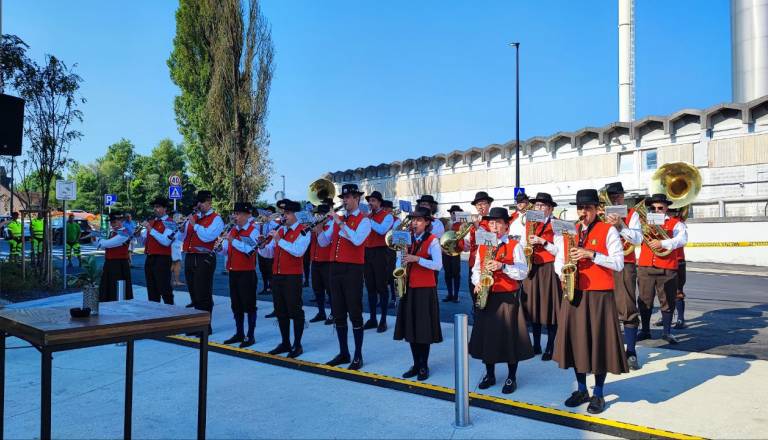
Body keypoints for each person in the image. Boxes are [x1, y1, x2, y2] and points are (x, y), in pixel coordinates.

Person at [553, 189, 628, 414]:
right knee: (577, 343)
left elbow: (619, 263)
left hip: (599, 296)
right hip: (574, 293)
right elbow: (558, 258)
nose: (583, 212)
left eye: (587, 208)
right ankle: (582, 389)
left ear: (597, 209)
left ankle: (598, 394)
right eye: (580, 208)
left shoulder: (609, 231)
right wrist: (563, 273)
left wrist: (591, 254)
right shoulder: (570, 231)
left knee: (598, 345)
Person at [469, 207, 532, 394]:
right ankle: (490, 374)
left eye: (498, 223)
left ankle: (511, 377)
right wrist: (478, 282)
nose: (494, 226)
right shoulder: (483, 245)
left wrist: (502, 266)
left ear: (506, 226)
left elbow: (522, 272)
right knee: (488, 338)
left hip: (507, 298)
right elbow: (476, 269)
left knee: (510, 339)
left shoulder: (515, 245)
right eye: (491, 222)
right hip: (487, 295)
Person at [316, 183, 371, 369]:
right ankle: (343, 352)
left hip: (353, 270)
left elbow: (356, 240)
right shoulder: (337, 220)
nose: (345, 201)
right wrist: (319, 229)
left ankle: (358, 355)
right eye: (344, 198)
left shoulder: (364, 221)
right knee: (338, 311)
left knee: (354, 312)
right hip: (335, 269)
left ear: (357, 199)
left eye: (348, 198)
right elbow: (324, 243)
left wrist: (339, 222)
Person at [393, 206, 443, 381]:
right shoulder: (407, 238)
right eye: (413, 220)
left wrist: (417, 259)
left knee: (423, 330)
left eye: (419, 220)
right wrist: (401, 256)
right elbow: (399, 261)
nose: (415, 223)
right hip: (409, 287)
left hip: (425, 289)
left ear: (427, 222)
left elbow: (438, 265)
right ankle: (415, 364)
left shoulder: (433, 241)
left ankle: (424, 365)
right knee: (411, 328)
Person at [602, 182, 644, 370]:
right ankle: (609, 350)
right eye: (611, 195)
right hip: (603, 264)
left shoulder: (632, 214)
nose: (614, 198)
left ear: (623, 195)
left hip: (625, 265)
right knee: (603, 308)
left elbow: (638, 239)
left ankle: (631, 352)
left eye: (618, 195)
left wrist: (620, 225)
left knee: (627, 306)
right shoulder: (600, 213)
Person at [636, 193, 687, 344]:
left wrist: (662, 244)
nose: (656, 210)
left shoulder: (675, 224)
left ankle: (667, 332)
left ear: (666, 208)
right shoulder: (643, 222)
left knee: (668, 300)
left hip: (667, 267)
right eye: (653, 208)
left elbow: (682, 239)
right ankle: (645, 331)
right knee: (644, 300)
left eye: (660, 207)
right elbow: (635, 237)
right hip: (645, 266)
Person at [265, 200, 311, 358]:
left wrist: (279, 240)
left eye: (288, 213)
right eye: (284, 214)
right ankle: (285, 342)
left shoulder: (304, 230)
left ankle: (297, 344)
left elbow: (298, 251)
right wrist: (262, 246)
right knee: (280, 311)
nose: (284, 217)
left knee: (295, 310)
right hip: (277, 275)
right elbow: (270, 253)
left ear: (296, 214)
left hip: (292, 276)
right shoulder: (281, 231)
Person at [521, 192, 561, 360]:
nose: (539, 208)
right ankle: (536, 344)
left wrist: (543, 242)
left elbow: (559, 250)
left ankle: (550, 347)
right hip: (532, 268)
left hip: (549, 267)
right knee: (533, 308)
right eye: (537, 205)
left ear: (550, 208)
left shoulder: (557, 224)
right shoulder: (530, 222)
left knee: (550, 309)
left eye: (543, 205)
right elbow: (523, 243)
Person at [179, 190, 224, 332]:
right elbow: (183, 238)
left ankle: (205, 326)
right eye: (198, 203)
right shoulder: (194, 217)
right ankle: (196, 324)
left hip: (204, 257)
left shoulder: (216, 219)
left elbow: (208, 237)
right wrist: (181, 227)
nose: (199, 205)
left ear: (209, 203)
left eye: (202, 203)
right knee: (193, 292)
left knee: (203, 292)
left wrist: (195, 224)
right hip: (190, 256)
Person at [218, 202, 259, 348]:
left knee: (249, 305)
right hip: (233, 271)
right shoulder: (232, 230)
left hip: (247, 273)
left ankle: (251, 335)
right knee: (236, 304)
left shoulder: (253, 231)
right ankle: (239, 332)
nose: (236, 216)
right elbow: (227, 250)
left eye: (239, 214)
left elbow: (250, 250)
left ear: (248, 215)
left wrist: (233, 241)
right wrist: (220, 246)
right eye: (235, 213)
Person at [363, 191, 395, 332]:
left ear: (379, 203)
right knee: (370, 288)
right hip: (368, 252)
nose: (371, 203)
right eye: (370, 201)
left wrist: (367, 220)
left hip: (381, 252)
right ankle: (372, 318)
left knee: (382, 287)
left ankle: (383, 319)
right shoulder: (369, 216)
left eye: (374, 201)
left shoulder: (387, 216)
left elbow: (382, 231)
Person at [457, 191, 494, 301]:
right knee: (474, 293)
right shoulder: (473, 221)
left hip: (487, 261)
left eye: (483, 203)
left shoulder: (493, 220)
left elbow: (490, 239)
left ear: (489, 205)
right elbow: (467, 242)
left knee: (487, 296)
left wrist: (477, 226)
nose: (480, 207)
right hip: (473, 262)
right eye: (478, 204)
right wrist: (463, 240)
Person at [141, 196, 176, 305]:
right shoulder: (152, 221)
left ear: (165, 209)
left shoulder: (170, 223)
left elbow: (166, 242)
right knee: (152, 289)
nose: (155, 209)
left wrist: (150, 229)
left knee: (165, 289)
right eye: (154, 207)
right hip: (150, 258)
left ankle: (170, 314)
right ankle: (154, 315)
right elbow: (146, 241)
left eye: (158, 207)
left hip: (162, 259)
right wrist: (139, 235)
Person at [93, 211, 134, 302]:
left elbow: (106, 244)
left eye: (114, 222)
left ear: (121, 221)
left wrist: (96, 237)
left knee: (118, 290)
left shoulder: (124, 233)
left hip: (119, 265)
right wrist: (96, 238)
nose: (112, 224)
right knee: (108, 288)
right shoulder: (113, 232)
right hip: (109, 263)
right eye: (111, 222)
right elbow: (100, 245)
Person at [308, 203, 334, 324]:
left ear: (327, 216)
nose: (318, 217)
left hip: (327, 261)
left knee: (330, 289)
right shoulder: (315, 226)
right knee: (317, 288)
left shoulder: (331, 225)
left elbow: (325, 242)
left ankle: (334, 313)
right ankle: (321, 312)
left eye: (320, 214)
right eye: (316, 214)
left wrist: (319, 229)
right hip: (315, 260)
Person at [442, 205, 464, 303]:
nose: (453, 215)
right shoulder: (447, 223)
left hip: (455, 251)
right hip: (446, 251)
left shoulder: (461, 224)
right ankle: (450, 294)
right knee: (447, 274)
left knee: (456, 274)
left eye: (456, 213)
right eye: (452, 213)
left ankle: (456, 295)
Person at [257, 205, 278, 297]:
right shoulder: (262, 223)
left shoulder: (275, 223)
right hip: (261, 248)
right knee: (263, 269)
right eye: (266, 213)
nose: (266, 215)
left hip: (270, 248)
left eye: (269, 213)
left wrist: (270, 220)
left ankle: (271, 287)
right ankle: (265, 286)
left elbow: (277, 228)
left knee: (270, 269)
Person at [171, 212, 185, 287]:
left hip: (174, 245)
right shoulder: (179, 225)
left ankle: (173, 280)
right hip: (176, 245)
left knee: (173, 263)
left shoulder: (172, 225)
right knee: (177, 264)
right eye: (181, 217)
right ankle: (176, 281)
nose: (182, 218)